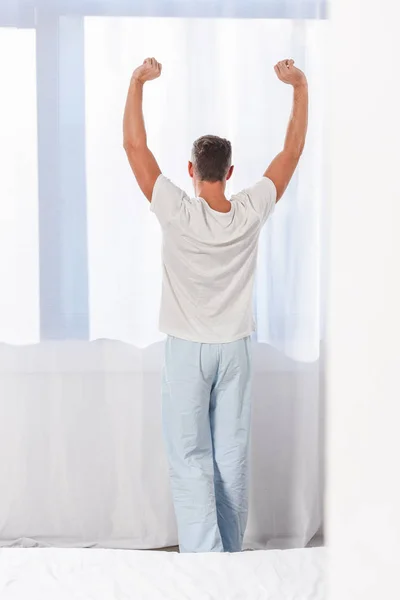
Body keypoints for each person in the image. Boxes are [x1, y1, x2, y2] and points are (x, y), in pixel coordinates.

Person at [123, 57, 308, 553]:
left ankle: (205, 564)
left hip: (187, 349)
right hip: (235, 351)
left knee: (189, 456)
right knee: (231, 454)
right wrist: (299, 87)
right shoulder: (249, 211)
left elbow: (134, 147)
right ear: (230, 172)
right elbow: (291, 151)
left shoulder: (176, 210)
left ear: (191, 171)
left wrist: (137, 81)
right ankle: (229, 561)